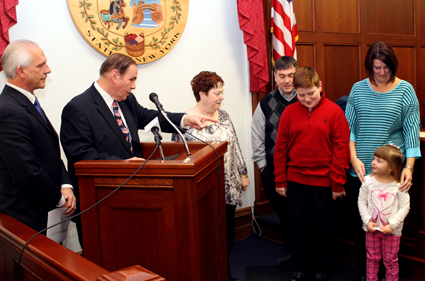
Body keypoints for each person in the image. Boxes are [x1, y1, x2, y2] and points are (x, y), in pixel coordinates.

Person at [60, 53, 215, 249]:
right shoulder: (78, 108)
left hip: (133, 195)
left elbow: (150, 118)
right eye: (131, 79)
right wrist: (121, 165)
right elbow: (81, 155)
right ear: (114, 76)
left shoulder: (126, 100)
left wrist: (186, 119)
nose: (134, 85)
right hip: (100, 201)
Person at [344, 41, 421, 281]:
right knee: (363, 229)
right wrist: (353, 158)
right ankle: (365, 275)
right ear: (369, 66)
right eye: (377, 67)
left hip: (390, 175)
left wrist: (409, 167)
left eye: (387, 67)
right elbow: (348, 130)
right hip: (362, 170)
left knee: (390, 229)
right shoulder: (357, 90)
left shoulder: (405, 90)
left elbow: (411, 133)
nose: (382, 72)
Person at [171, 71, 249, 281]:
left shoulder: (224, 116)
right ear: (202, 94)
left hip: (229, 187)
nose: (222, 97)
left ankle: (224, 271)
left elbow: (235, 145)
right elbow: (178, 161)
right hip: (202, 191)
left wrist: (243, 173)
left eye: (222, 92)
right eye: (217, 93)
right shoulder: (184, 122)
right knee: (206, 237)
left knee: (227, 236)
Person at [274, 66, 350, 281]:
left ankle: (321, 268)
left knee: (322, 228)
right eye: (301, 95)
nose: (307, 99)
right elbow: (280, 149)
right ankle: (300, 267)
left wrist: (337, 183)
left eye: (311, 93)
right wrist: (280, 179)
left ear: (320, 86)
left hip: (324, 183)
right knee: (299, 227)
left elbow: (341, 150)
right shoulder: (289, 112)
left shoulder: (334, 111)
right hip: (296, 181)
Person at [0, 40, 76, 233]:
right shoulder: (8, 110)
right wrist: (59, 198)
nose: (48, 70)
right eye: (41, 65)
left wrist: (65, 184)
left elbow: (49, 150)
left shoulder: (27, 102)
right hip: (25, 219)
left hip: (43, 210)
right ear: (21, 71)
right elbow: (26, 171)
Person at [251, 55, 298, 265]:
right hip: (274, 172)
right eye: (282, 76)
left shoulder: (306, 97)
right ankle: (292, 254)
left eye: (290, 75)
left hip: (301, 172)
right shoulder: (265, 102)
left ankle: (305, 257)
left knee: (301, 217)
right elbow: (257, 136)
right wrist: (262, 168)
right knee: (286, 217)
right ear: (275, 77)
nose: (287, 80)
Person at [358, 145, 410, 281]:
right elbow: (361, 202)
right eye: (374, 159)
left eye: (379, 161)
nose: (373, 162)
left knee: (391, 261)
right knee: (371, 259)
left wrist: (392, 225)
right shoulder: (368, 182)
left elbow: (405, 207)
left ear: (391, 167)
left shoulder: (399, 186)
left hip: (392, 232)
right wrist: (367, 221)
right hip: (372, 230)